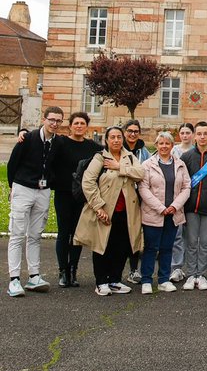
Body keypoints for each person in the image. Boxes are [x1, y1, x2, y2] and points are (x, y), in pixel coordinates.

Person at [74, 125, 144, 295]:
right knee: (102, 246)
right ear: (106, 140)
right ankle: (101, 281)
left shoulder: (129, 157)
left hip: (126, 211)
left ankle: (115, 279)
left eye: (119, 137)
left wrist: (119, 167)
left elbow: (140, 173)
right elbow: (88, 183)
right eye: (112, 137)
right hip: (106, 210)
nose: (116, 140)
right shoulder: (100, 158)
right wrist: (98, 207)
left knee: (122, 246)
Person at [6, 105, 63, 297]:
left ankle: (34, 276)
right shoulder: (28, 138)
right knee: (17, 234)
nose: (54, 124)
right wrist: (13, 187)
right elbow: (13, 163)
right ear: (44, 119)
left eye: (58, 121)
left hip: (43, 191)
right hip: (23, 188)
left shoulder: (58, 142)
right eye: (51, 120)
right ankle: (14, 279)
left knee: (35, 235)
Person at [48, 110, 100, 287]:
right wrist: (23, 133)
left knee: (78, 235)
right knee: (64, 232)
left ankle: (73, 270)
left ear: (86, 127)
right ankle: (63, 271)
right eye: (76, 123)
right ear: (70, 126)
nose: (79, 126)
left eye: (82, 123)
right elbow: (44, 140)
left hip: (81, 196)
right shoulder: (60, 142)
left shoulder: (93, 147)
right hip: (63, 193)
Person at [138, 131, 191, 294]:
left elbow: (186, 187)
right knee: (150, 248)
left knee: (167, 247)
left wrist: (174, 206)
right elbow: (143, 188)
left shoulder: (180, 164)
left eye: (167, 143)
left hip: (173, 213)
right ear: (156, 145)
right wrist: (160, 208)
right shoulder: (147, 164)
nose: (164, 146)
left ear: (172, 145)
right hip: (154, 213)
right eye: (161, 143)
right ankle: (146, 279)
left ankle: (163, 279)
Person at [181, 122, 207, 290]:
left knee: (205, 242)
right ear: (195, 136)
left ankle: (202, 274)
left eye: (206, 133)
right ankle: (191, 275)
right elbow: (182, 183)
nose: (202, 137)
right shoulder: (187, 157)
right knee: (191, 242)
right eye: (199, 133)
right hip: (190, 207)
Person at [122, 120, 151, 284]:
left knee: (135, 234)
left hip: (139, 195)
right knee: (121, 234)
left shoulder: (144, 152)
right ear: (125, 132)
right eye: (130, 131)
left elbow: (144, 173)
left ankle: (134, 270)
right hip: (121, 195)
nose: (133, 134)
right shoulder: (118, 148)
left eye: (136, 131)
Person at [169, 121, 196, 282]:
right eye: (182, 133)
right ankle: (176, 267)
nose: (185, 136)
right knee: (177, 234)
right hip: (177, 196)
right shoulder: (174, 151)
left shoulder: (196, 150)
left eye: (188, 133)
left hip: (193, 196)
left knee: (190, 235)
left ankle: (190, 267)